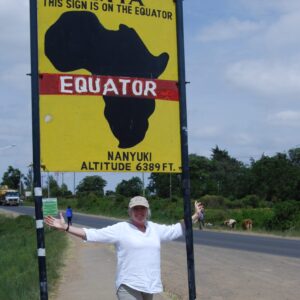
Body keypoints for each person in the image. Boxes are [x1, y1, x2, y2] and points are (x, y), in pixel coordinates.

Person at [44, 196, 201, 300]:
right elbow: (92, 234)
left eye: (142, 209)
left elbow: (175, 229)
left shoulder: (155, 228)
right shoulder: (121, 228)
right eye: (136, 209)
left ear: (147, 211)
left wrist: (195, 215)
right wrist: (66, 227)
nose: (139, 212)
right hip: (128, 285)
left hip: (149, 285)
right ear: (130, 211)